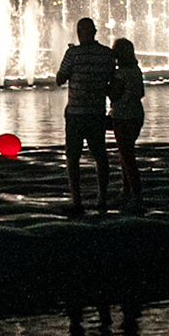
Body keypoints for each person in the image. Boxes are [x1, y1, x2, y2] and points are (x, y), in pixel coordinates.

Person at [55, 16, 117, 215]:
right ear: (96, 32)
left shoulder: (73, 54)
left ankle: (77, 200)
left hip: (76, 113)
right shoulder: (107, 54)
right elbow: (111, 81)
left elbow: (59, 79)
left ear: (79, 33)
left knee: (73, 157)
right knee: (100, 155)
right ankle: (102, 198)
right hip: (97, 113)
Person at [107, 37, 147, 212]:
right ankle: (127, 192)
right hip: (136, 114)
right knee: (126, 153)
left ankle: (135, 195)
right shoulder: (136, 70)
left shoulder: (121, 73)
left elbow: (113, 95)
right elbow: (141, 93)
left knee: (127, 156)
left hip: (123, 116)